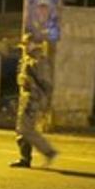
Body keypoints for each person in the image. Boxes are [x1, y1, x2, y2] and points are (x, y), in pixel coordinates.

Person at [12, 34, 58, 168]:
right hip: (26, 97)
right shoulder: (27, 60)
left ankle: (47, 151)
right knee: (22, 129)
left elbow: (46, 84)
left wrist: (45, 101)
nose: (24, 47)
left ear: (36, 45)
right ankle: (25, 158)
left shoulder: (39, 61)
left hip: (34, 98)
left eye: (27, 44)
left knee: (25, 129)